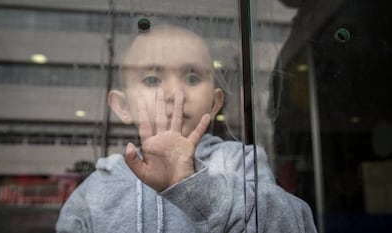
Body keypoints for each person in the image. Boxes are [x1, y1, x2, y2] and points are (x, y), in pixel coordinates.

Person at [56, 25, 317, 233]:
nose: (174, 93)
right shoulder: (100, 185)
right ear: (123, 106)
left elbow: (292, 224)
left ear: (214, 103)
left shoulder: (241, 161)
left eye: (192, 78)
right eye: (151, 79)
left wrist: (196, 187)